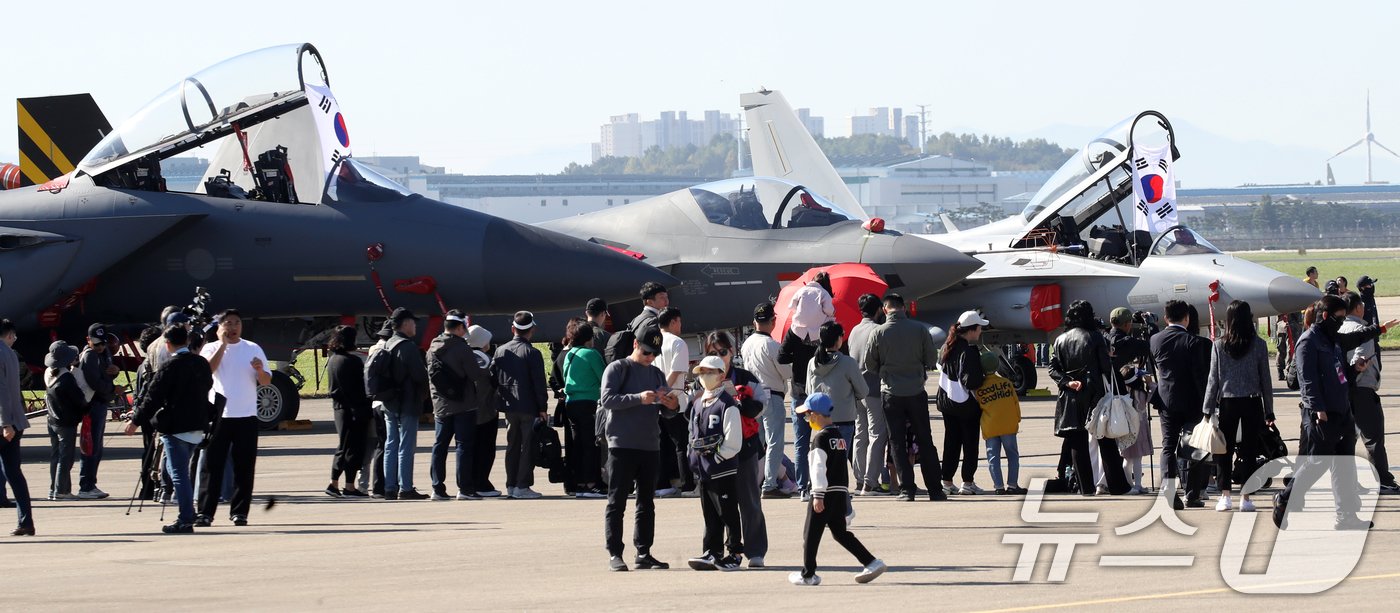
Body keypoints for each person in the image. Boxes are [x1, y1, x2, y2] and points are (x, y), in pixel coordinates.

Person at [1276, 294, 1392, 531]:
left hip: (1342, 410)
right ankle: (1285, 498)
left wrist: (1355, 367)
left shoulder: (1333, 339)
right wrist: (1318, 408)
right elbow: (1307, 380)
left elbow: (1351, 347)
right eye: (1339, 318)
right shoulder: (1309, 342)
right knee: (1318, 462)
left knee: (1345, 464)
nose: (1341, 323)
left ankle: (1346, 515)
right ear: (1326, 316)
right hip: (1322, 413)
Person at [600, 325, 681, 572]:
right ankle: (615, 553)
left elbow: (669, 411)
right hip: (621, 445)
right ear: (635, 345)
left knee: (647, 502)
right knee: (617, 501)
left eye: (654, 354)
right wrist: (638, 398)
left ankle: (644, 551)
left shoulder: (656, 373)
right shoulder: (617, 368)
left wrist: (671, 403)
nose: (650, 358)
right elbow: (607, 399)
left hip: (649, 445)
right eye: (646, 352)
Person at [789, 392, 887, 587]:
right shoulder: (838, 437)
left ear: (816, 415)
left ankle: (808, 574)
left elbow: (818, 469)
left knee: (810, 534)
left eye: (808, 415)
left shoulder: (820, 440)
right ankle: (871, 562)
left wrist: (817, 495)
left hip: (823, 493)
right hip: (839, 492)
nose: (807, 419)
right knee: (840, 533)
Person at [125, 325, 216, 533]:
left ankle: (185, 518)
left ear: (167, 344)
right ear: (186, 341)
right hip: (198, 426)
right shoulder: (201, 363)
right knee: (183, 471)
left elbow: (152, 397)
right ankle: (188, 511)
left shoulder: (169, 366)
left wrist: (136, 421)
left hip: (175, 427)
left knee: (178, 474)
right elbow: (207, 386)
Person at [864, 293, 945, 502]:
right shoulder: (919, 330)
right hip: (916, 391)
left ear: (885, 309)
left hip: (891, 392)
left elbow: (869, 364)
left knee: (897, 442)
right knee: (925, 440)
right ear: (904, 307)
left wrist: (886, 371)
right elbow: (930, 358)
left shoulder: (878, 332)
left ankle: (906, 489)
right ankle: (935, 489)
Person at [196, 309, 272, 526]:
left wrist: (259, 370)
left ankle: (239, 512)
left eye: (237, 322)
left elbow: (266, 381)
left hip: (246, 415)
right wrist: (222, 345)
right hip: (219, 416)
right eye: (228, 323)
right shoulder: (210, 348)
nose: (233, 327)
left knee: (244, 467)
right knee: (212, 466)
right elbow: (208, 370)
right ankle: (205, 512)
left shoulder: (252, 348)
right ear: (220, 327)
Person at [1203, 300, 1275, 512]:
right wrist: (1269, 409)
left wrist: (1207, 408)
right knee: (1250, 450)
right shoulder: (1259, 345)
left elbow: (1213, 380)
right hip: (1252, 402)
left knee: (1224, 450)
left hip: (1228, 402)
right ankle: (1246, 497)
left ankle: (1225, 495)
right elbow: (1266, 380)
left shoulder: (1219, 345)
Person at [685, 355, 745, 571]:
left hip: (722, 469)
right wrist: (693, 459)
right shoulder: (698, 403)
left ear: (721, 375)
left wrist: (718, 458)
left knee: (728, 511)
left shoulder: (727, 405)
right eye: (702, 373)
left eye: (709, 372)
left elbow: (734, 441)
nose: (704, 377)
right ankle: (712, 550)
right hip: (703, 470)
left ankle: (735, 552)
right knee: (709, 512)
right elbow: (692, 433)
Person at [1048, 301, 1113, 496]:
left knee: (1077, 441)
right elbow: (1105, 367)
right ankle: (1117, 484)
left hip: (1070, 395)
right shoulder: (1095, 337)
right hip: (1094, 393)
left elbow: (1053, 368)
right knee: (1105, 439)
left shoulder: (1060, 340)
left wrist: (1067, 381)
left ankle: (1086, 487)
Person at [1150, 300, 1210, 510]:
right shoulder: (1194, 342)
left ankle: (1168, 491)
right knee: (1194, 447)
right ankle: (1192, 494)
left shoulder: (1155, 340)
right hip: (1192, 401)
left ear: (1166, 318)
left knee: (1168, 446)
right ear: (1187, 318)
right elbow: (1201, 377)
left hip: (1166, 400)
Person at [426, 310, 492, 502]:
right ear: (461, 327)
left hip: (440, 405)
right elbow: (475, 375)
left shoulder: (432, 347)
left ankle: (437, 488)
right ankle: (464, 488)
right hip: (464, 404)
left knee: (440, 446)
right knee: (463, 446)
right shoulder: (462, 348)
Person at [1340, 291, 1398, 493]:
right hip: (1361, 389)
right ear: (1357, 308)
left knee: (1347, 439)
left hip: (1343, 392)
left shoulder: (1339, 329)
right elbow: (1360, 357)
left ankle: (1348, 481)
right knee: (1373, 438)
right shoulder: (1361, 330)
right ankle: (1382, 479)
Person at [495, 310, 549, 499]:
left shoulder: (500, 350)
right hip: (528, 406)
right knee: (527, 446)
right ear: (531, 330)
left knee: (512, 445)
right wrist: (542, 407)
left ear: (513, 329)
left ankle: (511, 484)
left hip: (509, 406)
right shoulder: (532, 353)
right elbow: (539, 383)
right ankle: (522, 485)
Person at [741, 302, 793, 498]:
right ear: (773, 321)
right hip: (772, 395)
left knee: (757, 442)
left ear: (755, 322)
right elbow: (786, 372)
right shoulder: (772, 345)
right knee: (775, 442)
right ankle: (770, 484)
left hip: (755, 395)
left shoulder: (746, 344)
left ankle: (753, 481)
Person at [379, 308, 430, 501]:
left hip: (389, 402)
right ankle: (406, 488)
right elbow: (419, 375)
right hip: (407, 402)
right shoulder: (407, 347)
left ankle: (389, 487)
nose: (415, 325)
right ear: (405, 324)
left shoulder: (387, 344)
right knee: (406, 446)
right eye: (413, 322)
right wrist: (424, 394)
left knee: (391, 444)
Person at [937, 311, 988, 496]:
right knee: (969, 443)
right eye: (979, 327)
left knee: (951, 442)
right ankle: (967, 481)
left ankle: (947, 481)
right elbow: (971, 381)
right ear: (972, 330)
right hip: (966, 405)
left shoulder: (947, 346)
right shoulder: (969, 351)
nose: (981, 330)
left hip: (947, 402)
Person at [1107, 308, 1154, 494]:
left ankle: (1105, 482)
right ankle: (1133, 484)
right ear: (1127, 325)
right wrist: (1148, 327)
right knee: (1132, 450)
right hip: (1127, 400)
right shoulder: (1126, 341)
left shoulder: (1104, 338)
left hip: (1108, 394)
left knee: (1115, 447)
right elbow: (1148, 346)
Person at [847, 294, 890, 497]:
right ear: (878, 310)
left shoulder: (855, 330)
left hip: (856, 390)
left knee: (860, 435)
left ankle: (859, 477)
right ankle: (870, 482)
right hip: (873, 388)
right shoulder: (877, 330)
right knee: (877, 434)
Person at [562, 321, 607, 498]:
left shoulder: (570, 354)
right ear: (590, 337)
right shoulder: (592, 354)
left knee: (578, 444)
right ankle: (591, 483)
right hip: (589, 402)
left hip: (571, 402)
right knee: (591, 444)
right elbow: (605, 377)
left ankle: (579, 482)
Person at [78, 322, 122, 500]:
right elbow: (94, 382)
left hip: (101, 404)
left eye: (103, 343)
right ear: (88, 341)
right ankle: (86, 485)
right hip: (93, 405)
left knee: (96, 446)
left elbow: (103, 374)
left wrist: (114, 372)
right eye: (97, 344)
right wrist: (113, 390)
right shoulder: (90, 356)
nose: (101, 347)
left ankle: (90, 483)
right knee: (91, 446)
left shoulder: (103, 353)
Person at [326, 325, 370, 498]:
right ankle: (343, 485)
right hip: (354, 409)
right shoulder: (352, 362)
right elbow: (359, 389)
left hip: (339, 408)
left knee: (344, 446)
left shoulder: (333, 360)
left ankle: (339, 483)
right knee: (353, 448)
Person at [0, 320, 35, 536]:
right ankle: (26, 521)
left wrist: (5, 422)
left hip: (5, 423)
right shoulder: (10, 353)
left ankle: (26, 522)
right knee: (14, 474)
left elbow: (1, 389)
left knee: (13, 473)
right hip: (15, 421)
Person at [975, 351, 1024, 495]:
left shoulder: (980, 388)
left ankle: (998, 486)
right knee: (1012, 455)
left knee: (993, 457)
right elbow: (1015, 403)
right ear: (997, 366)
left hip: (990, 426)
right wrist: (1017, 419)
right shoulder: (1006, 383)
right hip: (1008, 425)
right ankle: (1013, 485)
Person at [656, 306, 692, 497]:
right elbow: (676, 371)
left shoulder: (653, 342)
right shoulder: (678, 343)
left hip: (654, 398)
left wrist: (657, 394)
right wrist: (665, 392)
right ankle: (686, 484)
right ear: (673, 322)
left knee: (661, 442)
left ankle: (662, 483)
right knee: (681, 444)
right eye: (679, 321)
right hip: (674, 398)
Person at [44, 343, 86, 501]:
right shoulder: (67, 378)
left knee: (55, 455)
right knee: (65, 457)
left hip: (52, 419)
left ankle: (53, 488)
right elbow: (79, 398)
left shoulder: (49, 373)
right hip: (66, 422)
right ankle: (62, 490)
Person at [466, 325, 502, 497]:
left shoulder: (464, 357)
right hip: (486, 411)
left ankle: (469, 482)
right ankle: (482, 483)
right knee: (486, 449)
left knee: (469, 449)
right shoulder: (486, 360)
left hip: (466, 411)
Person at [363, 322, 393, 497]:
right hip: (385, 402)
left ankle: (378, 485)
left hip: (375, 402)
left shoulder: (373, 349)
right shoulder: (387, 350)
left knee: (381, 444)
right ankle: (382, 485)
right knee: (387, 445)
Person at [788, 272, 835, 343]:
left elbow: (792, 306)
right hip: (817, 332)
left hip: (798, 330)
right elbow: (829, 311)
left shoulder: (801, 290)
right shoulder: (824, 293)